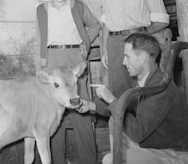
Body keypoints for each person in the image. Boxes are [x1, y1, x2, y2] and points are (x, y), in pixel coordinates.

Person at [78, 33, 188, 164]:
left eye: (127, 56)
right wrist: (91, 106)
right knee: (114, 121)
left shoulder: (159, 88)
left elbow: (137, 132)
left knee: (109, 160)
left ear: (141, 58)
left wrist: (112, 100)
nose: (124, 63)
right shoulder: (147, 80)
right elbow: (124, 107)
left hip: (172, 154)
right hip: (154, 145)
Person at [36, 0, 100, 164]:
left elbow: (96, 25)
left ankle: (88, 160)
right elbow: (39, 38)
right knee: (54, 114)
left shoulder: (78, 7)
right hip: (53, 59)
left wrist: (84, 44)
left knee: (80, 107)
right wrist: (40, 64)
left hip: (74, 58)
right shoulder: (41, 10)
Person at [100, 0, 169, 102]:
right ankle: (122, 127)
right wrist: (104, 49)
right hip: (114, 44)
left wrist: (142, 33)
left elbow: (162, 20)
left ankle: (141, 126)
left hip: (138, 42)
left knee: (141, 91)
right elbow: (105, 23)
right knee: (117, 92)